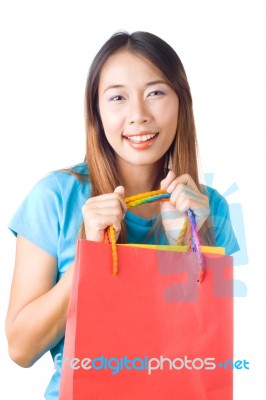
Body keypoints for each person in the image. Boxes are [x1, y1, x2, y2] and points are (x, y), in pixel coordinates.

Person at [5, 31, 239, 399]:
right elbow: (20, 349)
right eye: (117, 97)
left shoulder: (209, 208)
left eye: (156, 93)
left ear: (181, 103)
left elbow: (202, 343)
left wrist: (185, 244)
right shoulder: (56, 197)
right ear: (96, 112)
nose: (139, 116)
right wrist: (91, 258)